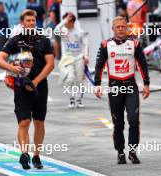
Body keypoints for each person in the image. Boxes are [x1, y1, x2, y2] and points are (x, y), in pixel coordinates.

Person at [0, 9, 54, 170]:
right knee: (24, 122)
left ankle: (36, 155)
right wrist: (12, 68)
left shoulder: (44, 40)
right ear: (22, 23)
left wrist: (35, 81)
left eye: (33, 21)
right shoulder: (15, 40)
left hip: (40, 86)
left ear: (36, 22)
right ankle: (24, 154)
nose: (31, 23)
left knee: (39, 122)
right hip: (21, 87)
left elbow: (50, 64)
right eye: (28, 21)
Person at [94, 16, 150, 164]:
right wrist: (97, 84)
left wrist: (146, 84)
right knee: (118, 124)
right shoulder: (106, 45)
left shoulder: (135, 44)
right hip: (114, 86)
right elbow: (99, 65)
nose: (120, 29)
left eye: (123, 26)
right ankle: (120, 152)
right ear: (113, 29)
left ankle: (132, 151)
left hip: (131, 85)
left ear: (127, 28)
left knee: (133, 120)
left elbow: (142, 64)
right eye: (117, 27)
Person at [54, 12, 89, 108]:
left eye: (68, 21)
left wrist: (86, 56)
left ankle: (79, 99)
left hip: (78, 58)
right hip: (67, 58)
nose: (65, 23)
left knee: (79, 80)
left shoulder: (80, 32)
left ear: (73, 21)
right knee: (70, 78)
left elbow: (86, 44)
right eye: (64, 21)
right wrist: (65, 20)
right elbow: (56, 30)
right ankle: (71, 98)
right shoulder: (64, 32)